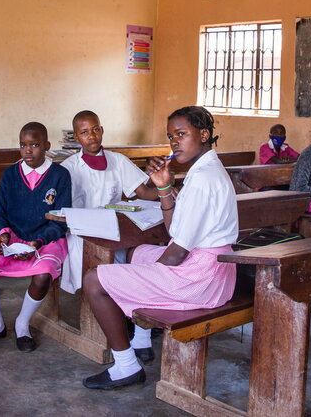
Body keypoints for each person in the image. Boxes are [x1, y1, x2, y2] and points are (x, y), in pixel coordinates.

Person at [80, 106, 238, 390]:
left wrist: (146, 275)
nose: (174, 142)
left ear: (203, 135)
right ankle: (141, 339)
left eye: (181, 134)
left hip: (200, 279)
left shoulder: (203, 179)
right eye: (170, 136)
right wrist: (164, 189)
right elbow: (174, 230)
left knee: (93, 280)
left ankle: (125, 366)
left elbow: (176, 253)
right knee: (136, 252)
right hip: (215, 269)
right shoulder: (206, 169)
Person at [0, 122, 71, 352]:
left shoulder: (60, 175)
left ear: (47, 146)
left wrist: (37, 242)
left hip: (46, 240)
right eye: (23, 145)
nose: (28, 150)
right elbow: (0, 213)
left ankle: (22, 325)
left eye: (34, 145)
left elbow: (62, 219)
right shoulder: (11, 174)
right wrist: (2, 236)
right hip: (13, 238)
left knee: (42, 276)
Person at [59, 110, 158, 294]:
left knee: (121, 273)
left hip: (113, 230)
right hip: (82, 233)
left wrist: (164, 188)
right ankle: (95, 299)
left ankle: (119, 302)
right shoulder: (68, 168)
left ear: (102, 130)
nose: (91, 136)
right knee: (90, 279)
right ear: (77, 137)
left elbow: (144, 193)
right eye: (84, 132)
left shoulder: (118, 161)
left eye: (95, 129)